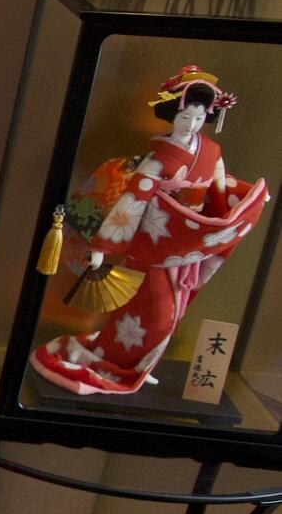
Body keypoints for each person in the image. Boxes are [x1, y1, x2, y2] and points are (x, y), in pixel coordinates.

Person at [30, 64, 268, 398]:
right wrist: (103, 247)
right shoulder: (159, 159)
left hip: (188, 241)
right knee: (154, 312)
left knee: (175, 311)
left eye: (199, 119)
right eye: (186, 118)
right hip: (154, 242)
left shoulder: (211, 152)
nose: (191, 125)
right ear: (173, 116)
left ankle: (140, 365)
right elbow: (133, 201)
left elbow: (219, 188)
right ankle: (116, 361)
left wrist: (236, 209)